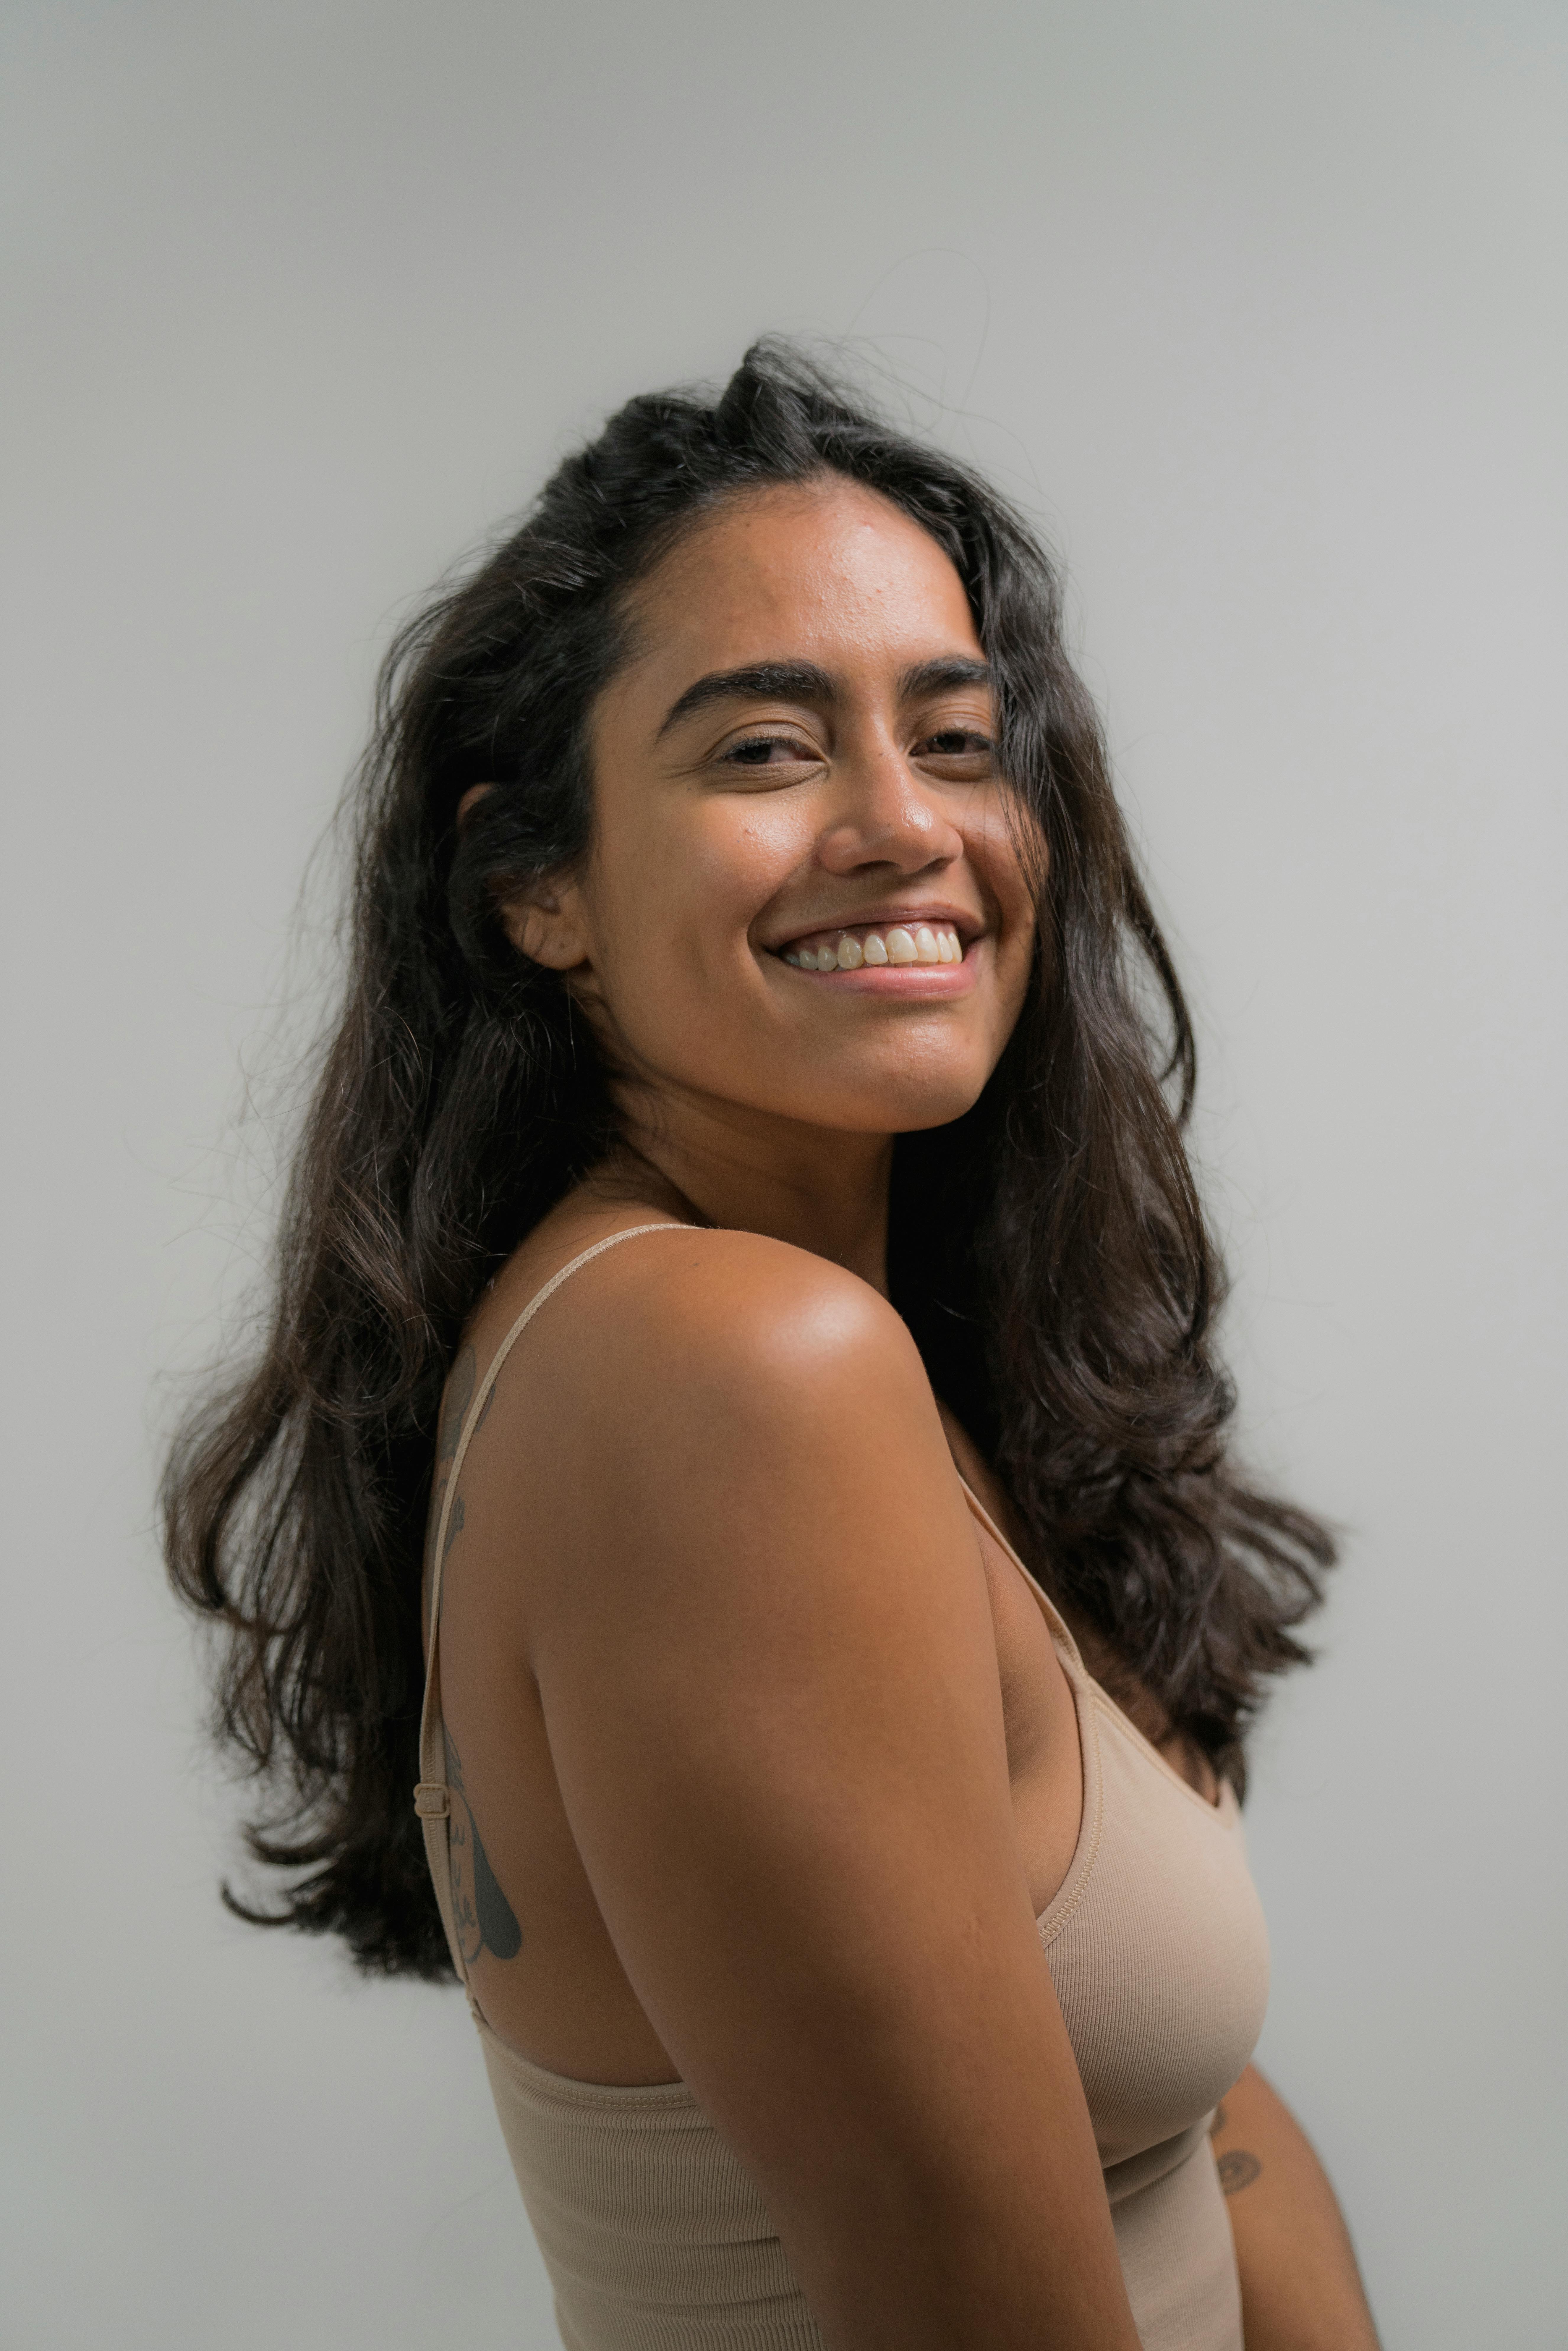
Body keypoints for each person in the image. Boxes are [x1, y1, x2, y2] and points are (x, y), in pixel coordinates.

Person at [165, 343, 1380, 2349]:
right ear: (536, 885)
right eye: (763, 749)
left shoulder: (821, 1330)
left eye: (962, 740)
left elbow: (1186, 2122)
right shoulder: (731, 1372)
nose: (906, 826)